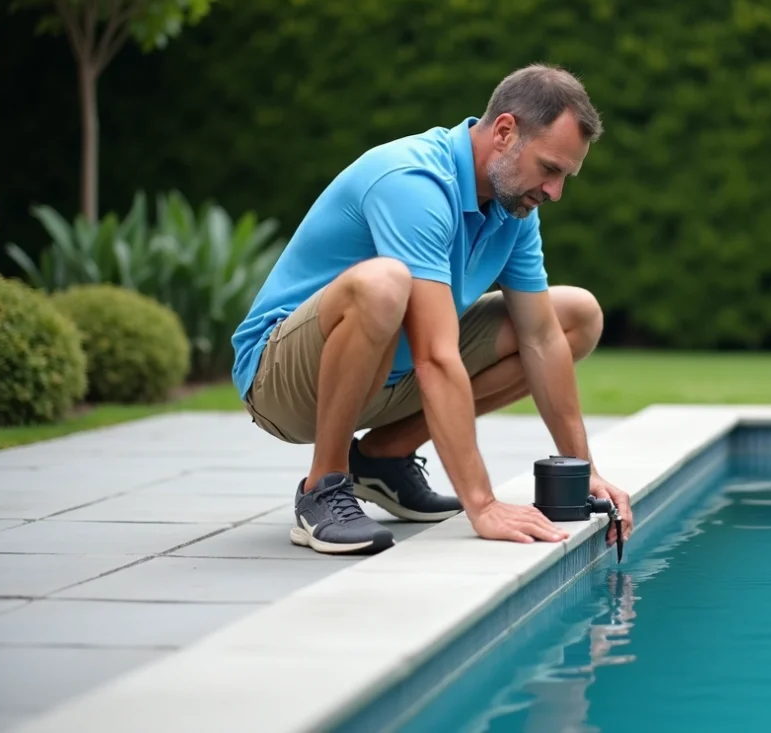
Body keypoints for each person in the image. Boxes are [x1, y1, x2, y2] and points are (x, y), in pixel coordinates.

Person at [230, 64, 634, 556]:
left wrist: (583, 469)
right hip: (282, 381)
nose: (555, 192)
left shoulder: (513, 208)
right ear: (505, 131)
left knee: (576, 315)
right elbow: (436, 356)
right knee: (384, 283)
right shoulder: (415, 181)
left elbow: (542, 339)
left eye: (565, 176)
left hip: (384, 380)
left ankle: (383, 457)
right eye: (550, 169)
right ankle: (323, 487)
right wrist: (481, 503)